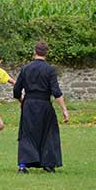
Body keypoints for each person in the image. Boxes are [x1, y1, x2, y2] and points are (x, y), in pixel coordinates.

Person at [13, 41, 69, 174]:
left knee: (26, 133)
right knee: (48, 133)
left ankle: (22, 165)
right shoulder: (49, 70)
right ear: (46, 53)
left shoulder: (25, 69)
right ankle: (48, 164)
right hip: (44, 105)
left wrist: (22, 100)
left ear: (34, 52)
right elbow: (56, 91)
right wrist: (64, 110)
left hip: (29, 104)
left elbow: (16, 90)